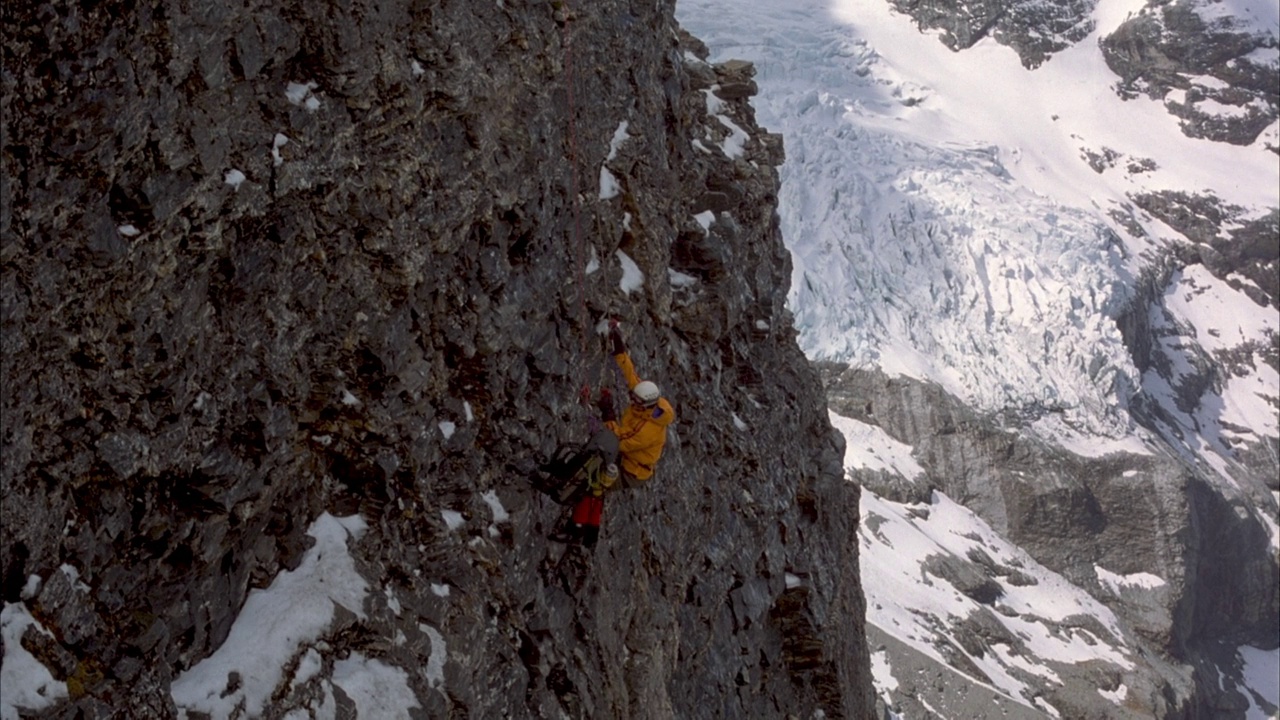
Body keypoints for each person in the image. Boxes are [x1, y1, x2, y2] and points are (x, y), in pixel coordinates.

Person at [552, 323, 675, 549]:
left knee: (592, 485)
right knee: (596, 485)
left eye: (635, 399)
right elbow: (632, 377)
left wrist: (607, 411)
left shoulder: (648, 429)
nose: (631, 399)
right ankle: (590, 534)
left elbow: (617, 441)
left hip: (632, 471)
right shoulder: (647, 403)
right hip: (626, 460)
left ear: (645, 403)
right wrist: (620, 350)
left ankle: (577, 528)